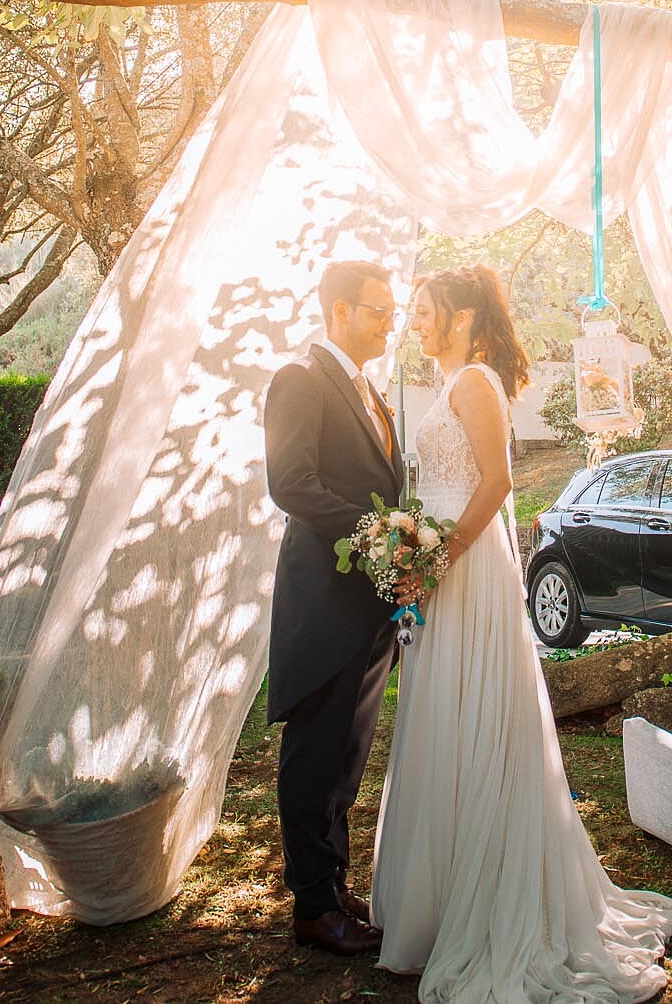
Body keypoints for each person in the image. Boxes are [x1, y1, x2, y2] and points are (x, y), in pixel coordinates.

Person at [374, 263, 672, 1002]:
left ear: (461, 317)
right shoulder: (452, 382)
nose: (416, 323)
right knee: (442, 717)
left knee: (477, 719)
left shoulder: (475, 384)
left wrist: (434, 557)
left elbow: (494, 485)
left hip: (465, 563)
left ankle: (484, 900)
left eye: (426, 311)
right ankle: (440, 902)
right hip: (442, 563)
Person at [262, 259, 404, 955]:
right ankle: (313, 908)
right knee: (314, 754)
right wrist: (375, 532)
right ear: (340, 311)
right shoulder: (299, 380)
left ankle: (334, 883)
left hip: (369, 606)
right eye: (378, 309)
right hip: (323, 602)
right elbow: (291, 483)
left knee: (347, 758)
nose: (389, 321)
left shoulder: (371, 391)